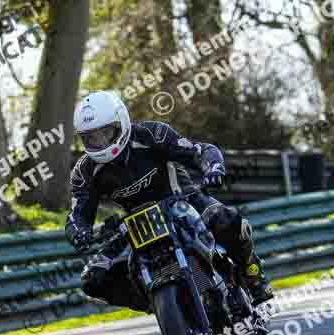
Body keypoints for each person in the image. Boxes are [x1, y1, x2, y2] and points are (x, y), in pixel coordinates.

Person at [65, 90, 273, 312]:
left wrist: (212, 167)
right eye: (90, 137)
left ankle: (254, 277)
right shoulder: (84, 172)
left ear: (121, 123)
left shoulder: (152, 134)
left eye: (104, 133)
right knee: (92, 279)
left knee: (228, 220)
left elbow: (198, 151)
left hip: (183, 201)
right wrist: (79, 232)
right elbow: (78, 213)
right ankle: (162, 304)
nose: (99, 142)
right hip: (135, 225)